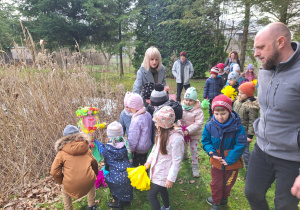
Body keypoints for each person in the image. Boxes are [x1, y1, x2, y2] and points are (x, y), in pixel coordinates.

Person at [244, 22, 300, 210]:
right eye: (255, 48)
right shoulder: (266, 67)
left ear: (281, 42)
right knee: (252, 193)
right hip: (262, 148)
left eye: (261, 47)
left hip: (292, 157)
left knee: (284, 206)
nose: (256, 53)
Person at [201, 95, 247, 210]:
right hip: (216, 162)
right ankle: (216, 203)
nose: (220, 117)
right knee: (216, 184)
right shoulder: (209, 126)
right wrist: (211, 151)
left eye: (223, 113)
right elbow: (205, 141)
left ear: (229, 112)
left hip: (232, 162)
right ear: (213, 112)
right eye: (216, 114)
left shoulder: (238, 127)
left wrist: (229, 159)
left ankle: (223, 199)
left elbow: (241, 144)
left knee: (228, 183)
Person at [145, 106, 184, 210]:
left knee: (151, 195)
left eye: (157, 122)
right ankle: (167, 207)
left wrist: (170, 179)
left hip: (164, 173)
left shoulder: (176, 139)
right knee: (162, 189)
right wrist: (148, 162)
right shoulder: (161, 132)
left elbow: (177, 161)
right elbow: (155, 149)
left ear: (163, 124)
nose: (155, 124)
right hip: (158, 169)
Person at [50, 125, 98, 210]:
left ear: (65, 138)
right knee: (91, 179)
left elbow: (54, 171)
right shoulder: (86, 147)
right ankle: (91, 205)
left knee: (65, 190)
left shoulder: (61, 152)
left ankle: (68, 208)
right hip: (87, 182)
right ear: (79, 135)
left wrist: (61, 182)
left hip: (71, 184)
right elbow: (94, 163)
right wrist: (95, 174)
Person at [103, 121, 133, 209]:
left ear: (109, 135)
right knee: (126, 183)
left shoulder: (107, 148)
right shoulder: (127, 144)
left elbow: (107, 163)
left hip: (116, 176)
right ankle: (127, 200)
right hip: (129, 174)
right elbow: (130, 157)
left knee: (111, 179)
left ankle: (118, 203)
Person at [232, 82, 259, 176]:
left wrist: (250, 135)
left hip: (244, 133)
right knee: (234, 147)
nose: (239, 94)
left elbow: (253, 122)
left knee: (245, 152)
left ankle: (250, 169)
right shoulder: (237, 101)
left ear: (249, 94)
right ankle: (235, 163)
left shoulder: (251, 106)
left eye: (242, 93)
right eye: (239, 92)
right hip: (234, 130)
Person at [179, 87, 204, 177]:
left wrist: (188, 130)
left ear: (195, 101)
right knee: (183, 146)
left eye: (190, 100)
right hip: (184, 132)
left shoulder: (198, 111)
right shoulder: (181, 107)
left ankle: (195, 167)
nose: (188, 102)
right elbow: (179, 118)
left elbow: (198, 123)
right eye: (186, 99)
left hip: (194, 134)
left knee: (193, 150)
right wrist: (180, 127)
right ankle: (184, 155)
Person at [127, 94, 152, 167]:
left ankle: (137, 178)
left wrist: (130, 150)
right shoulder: (148, 114)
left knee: (136, 166)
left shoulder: (136, 120)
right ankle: (145, 177)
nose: (131, 110)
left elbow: (133, 137)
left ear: (135, 108)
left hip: (139, 149)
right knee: (144, 165)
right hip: (147, 146)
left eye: (131, 108)